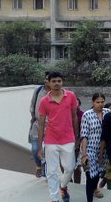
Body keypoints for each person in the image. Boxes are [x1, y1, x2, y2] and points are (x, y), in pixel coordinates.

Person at [38, 71, 79, 202]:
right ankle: (54, 198)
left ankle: (63, 186)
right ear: (48, 83)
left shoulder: (71, 96)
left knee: (69, 168)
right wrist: (40, 146)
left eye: (59, 81)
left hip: (68, 139)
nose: (56, 83)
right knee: (51, 171)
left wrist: (77, 136)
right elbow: (41, 123)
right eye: (53, 81)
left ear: (62, 82)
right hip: (51, 140)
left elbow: (74, 117)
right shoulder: (44, 101)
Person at [80, 93, 110, 202]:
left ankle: (94, 190)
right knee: (90, 177)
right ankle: (89, 200)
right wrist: (84, 155)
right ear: (93, 102)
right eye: (97, 102)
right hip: (89, 150)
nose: (100, 104)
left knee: (97, 174)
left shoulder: (108, 113)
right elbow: (84, 135)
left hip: (103, 151)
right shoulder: (87, 115)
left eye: (102, 102)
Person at [28, 72, 50, 178]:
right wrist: (33, 117)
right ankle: (38, 166)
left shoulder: (58, 94)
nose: (45, 81)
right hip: (37, 125)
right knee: (35, 148)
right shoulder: (38, 91)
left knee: (48, 151)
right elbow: (32, 105)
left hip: (50, 127)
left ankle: (45, 173)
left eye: (48, 79)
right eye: (45, 79)